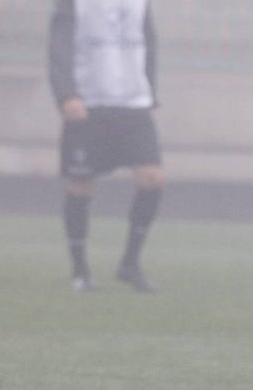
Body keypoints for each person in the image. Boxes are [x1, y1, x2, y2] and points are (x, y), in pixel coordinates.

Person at [48, 0, 163, 293]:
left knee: (153, 178)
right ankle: (80, 270)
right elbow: (59, 46)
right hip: (88, 102)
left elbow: (148, 40)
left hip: (133, 103)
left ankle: (130, 264)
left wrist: (150, 88)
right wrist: (65, 94)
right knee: (81, 184)